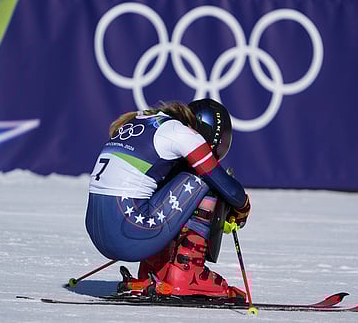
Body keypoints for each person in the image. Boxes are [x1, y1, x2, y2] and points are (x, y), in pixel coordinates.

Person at [85, 98, 251, 298]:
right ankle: (187, 274)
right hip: (129, 232)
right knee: (209, 177)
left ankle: (155, 268)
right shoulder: (183, 134)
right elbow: (229, 189)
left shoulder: (144, 121)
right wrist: (243, 208)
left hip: (98, 231)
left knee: (168, 172)